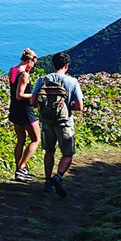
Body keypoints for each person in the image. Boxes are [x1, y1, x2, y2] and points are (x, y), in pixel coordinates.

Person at [31, 51, 84, 198]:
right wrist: (68, 106)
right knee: (67, 153)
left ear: (53, 64)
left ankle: (47, 181)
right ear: (66, 65)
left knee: (49, 151)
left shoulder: (42, 80)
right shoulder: (72, 82)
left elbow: (32, 102)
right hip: (65, 123)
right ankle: (58, 176)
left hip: (47, 122)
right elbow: (80, 106)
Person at [7, 48, 40, 182]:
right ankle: (21, 167)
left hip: (14, 109)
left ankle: (18, 169)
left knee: (21, 140)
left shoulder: (13, 70)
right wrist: (35, 95)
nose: (33, 67)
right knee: (36, 139)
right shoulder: (24, 75)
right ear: (30, 61)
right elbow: (20, 95)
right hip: (25, 111)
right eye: (34, 63)